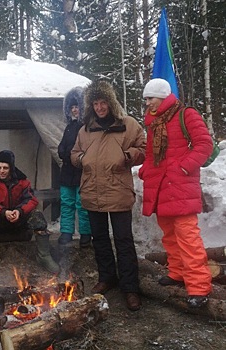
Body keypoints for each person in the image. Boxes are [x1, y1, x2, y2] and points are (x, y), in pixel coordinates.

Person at [71, 80, 146, 311]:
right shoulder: (85, 129)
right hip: (92, 192)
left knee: (123, 241)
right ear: (90, 105)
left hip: (118, 192)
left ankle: (130, 287)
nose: (100, 107)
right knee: (100, 240)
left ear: (111, 103)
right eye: (95, 103)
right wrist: (82, 159)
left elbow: (143, 149)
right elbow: (74, 154)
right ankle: (107, 277)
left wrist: (128, 155)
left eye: (103, 102)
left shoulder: (128, 124)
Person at [138, 78, 213, 308]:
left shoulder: (186, 114)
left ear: (161, 96)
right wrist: (146, 170)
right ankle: (177, 272)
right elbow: (151, 154)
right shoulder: (152, 121)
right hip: (161, 186)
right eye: (146, 99)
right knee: (169, 234)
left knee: (188, 237)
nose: (147, 103)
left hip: (180, 186)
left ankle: (199, 287)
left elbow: (205, 144)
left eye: (150, 98)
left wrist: (183, 166)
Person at [0, 150, 60, 280]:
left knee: (37, 215)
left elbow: (31, 200)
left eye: (5, 168)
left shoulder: (22, 182)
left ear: (11, 168)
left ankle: (44, 256)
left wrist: (19, 211)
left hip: (19, 225)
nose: (1, 171)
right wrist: (3, 212)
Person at [57, 87, 92, 247]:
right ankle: (66, 232)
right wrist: (64, 153)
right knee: (66, 203)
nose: (74, 110)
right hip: (67, 173)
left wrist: (74, 156)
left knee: (82, 204)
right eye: (72, 107)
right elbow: (62, 146)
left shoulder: (87, 128)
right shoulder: (69, 126)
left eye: (77, 106)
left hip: (82, 172)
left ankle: (86, 234)